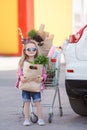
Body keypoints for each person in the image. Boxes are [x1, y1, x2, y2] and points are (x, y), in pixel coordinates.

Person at [16, 39, 47, 126]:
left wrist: (41, 78)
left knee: (38, 103)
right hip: (26, 86)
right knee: (26, 103)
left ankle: (40, 119)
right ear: (25, 51)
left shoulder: (39, 62)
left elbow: (44, 73)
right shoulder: (23, 62)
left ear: (36, 50)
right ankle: (26, 119)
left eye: (34, 49)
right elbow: (19, 72)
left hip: (35, 86)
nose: (31, 51)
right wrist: (21, 77)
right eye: (28, 49)